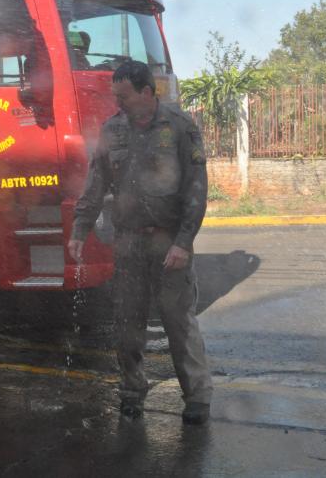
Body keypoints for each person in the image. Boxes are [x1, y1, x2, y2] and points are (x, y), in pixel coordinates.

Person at [67, 60, 213, 424]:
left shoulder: (180, 128)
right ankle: (132, 391)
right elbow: (96, 182)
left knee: (177, 321)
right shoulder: (112, 130)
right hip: (129, 244)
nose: (118, 103)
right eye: (115, 96)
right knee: (127, 322)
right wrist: (80, 229)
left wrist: (183, 243)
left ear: (147, 92)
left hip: (169, 246)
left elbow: (196, 190)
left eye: (124, 96)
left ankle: (197, 396)